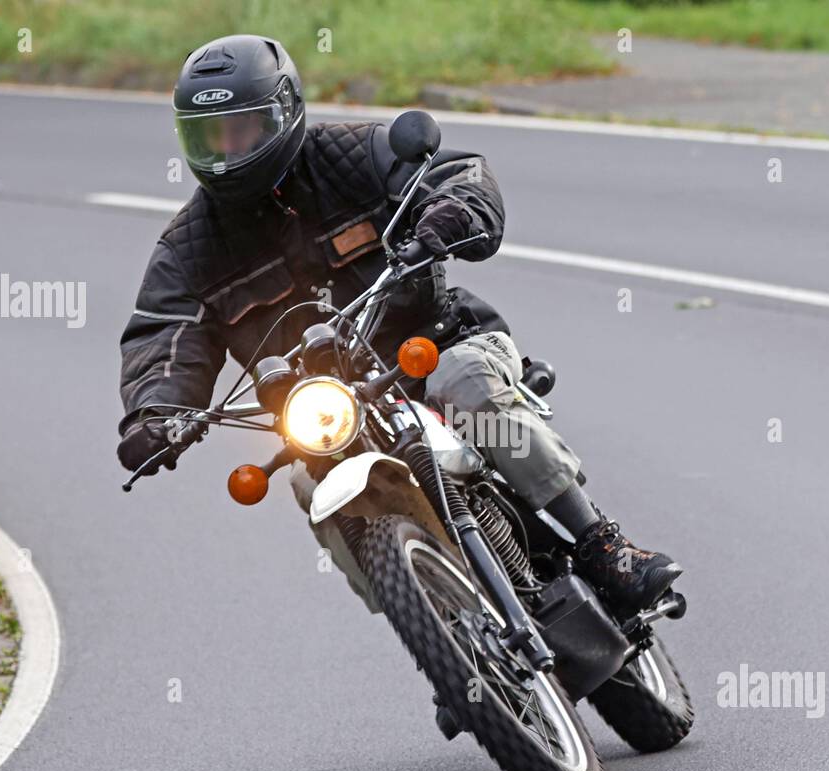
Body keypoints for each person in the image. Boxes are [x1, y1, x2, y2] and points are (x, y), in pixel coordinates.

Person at [116, 34, 681, 609]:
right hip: (332, 410)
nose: (227, 148)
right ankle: (448, 643)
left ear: (282, 114)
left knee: (468, 390)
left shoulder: (353, 155)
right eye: (210, 135)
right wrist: (155, 414)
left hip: (435, 346)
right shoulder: (189, 249)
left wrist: (450, 213)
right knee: (313, 487)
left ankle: (603, 546)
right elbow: (162, 333)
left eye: (242, 129)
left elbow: (456, 174)